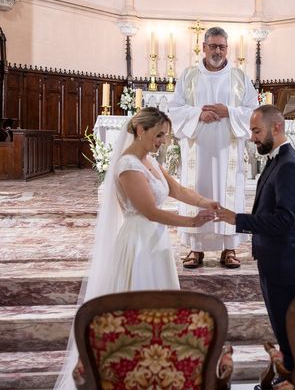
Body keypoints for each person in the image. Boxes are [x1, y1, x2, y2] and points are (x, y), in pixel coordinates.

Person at [54, 107, 217, 390]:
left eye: (165, 136)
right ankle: (129, 369)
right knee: (138, 307)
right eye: (159, 135)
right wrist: (192, 221)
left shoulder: (149, 161)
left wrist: (206, 203)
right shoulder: (128, 165)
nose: (163, 141)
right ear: (140, 130)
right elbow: (150, 211)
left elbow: (177, 190)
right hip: (139, 243)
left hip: (156, 242)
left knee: (162, 307)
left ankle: (158, 368)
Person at [216, 105, 295, 385]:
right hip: (276, 259)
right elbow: (291, 215)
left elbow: (284, 220)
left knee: (287, 331)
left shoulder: (289, 166)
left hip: (284, 263)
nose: (252, 137)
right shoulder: (277, 161)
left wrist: (238, 219)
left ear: (277, 127)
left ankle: (293, 379)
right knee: (282, 328)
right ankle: (286, 375)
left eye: (256, 131)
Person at [169, 27, 259, 269]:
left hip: (228, 147)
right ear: (203, 47)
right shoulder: (188, 76)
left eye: (222, 46)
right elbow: (174, 110)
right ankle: (195, 249)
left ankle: (229, 248)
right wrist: (198, 113)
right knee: (197, 191)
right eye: (213, 46)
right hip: (198, 149)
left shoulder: (240, 78)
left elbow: (253, 111)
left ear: (227, 49)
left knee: (229, 194)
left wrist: (228, 111)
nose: (217, 51)